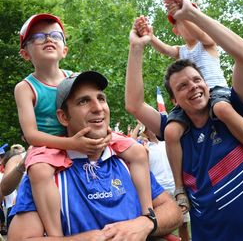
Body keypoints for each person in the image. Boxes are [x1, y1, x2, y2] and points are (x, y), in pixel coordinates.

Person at [125, 0, 243, 240]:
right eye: (182, 86)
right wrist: (137, 47)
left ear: (205, 82)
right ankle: (180, 191)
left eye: (196, 80)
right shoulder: (175, 129)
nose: (193, 87)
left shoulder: (235, 109)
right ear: (174, 101)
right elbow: (134, 104)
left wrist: (191, 14)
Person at [15, 13, 154, 236]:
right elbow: (31, 135)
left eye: (55, 35)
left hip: (80, 138)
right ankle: (56, 234)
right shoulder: (25, 87)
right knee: (40, 171)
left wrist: (105, 134)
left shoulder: (73, 78)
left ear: (65, 50)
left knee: (137, 150)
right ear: (25, 53)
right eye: (38, 36)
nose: (48, 39)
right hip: (49, 144)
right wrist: (71, 143)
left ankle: (148, 213)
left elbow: (94, 112)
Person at [8, 70, 182, 241]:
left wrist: (146, 223)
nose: (98, 108)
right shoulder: (45, 170)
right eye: (84, 101)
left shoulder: (127, 159)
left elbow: (173, 211)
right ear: (63, 117)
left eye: (101, 99)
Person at [132, 121, 190, 241]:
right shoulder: (143, 147)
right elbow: (130, 142)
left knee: (184, 222)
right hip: (159, 191)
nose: (152, 129)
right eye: (149, 127)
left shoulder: (166, 143)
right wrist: (139, 125)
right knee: (161, 229)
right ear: (145, 131)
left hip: (175, 187)